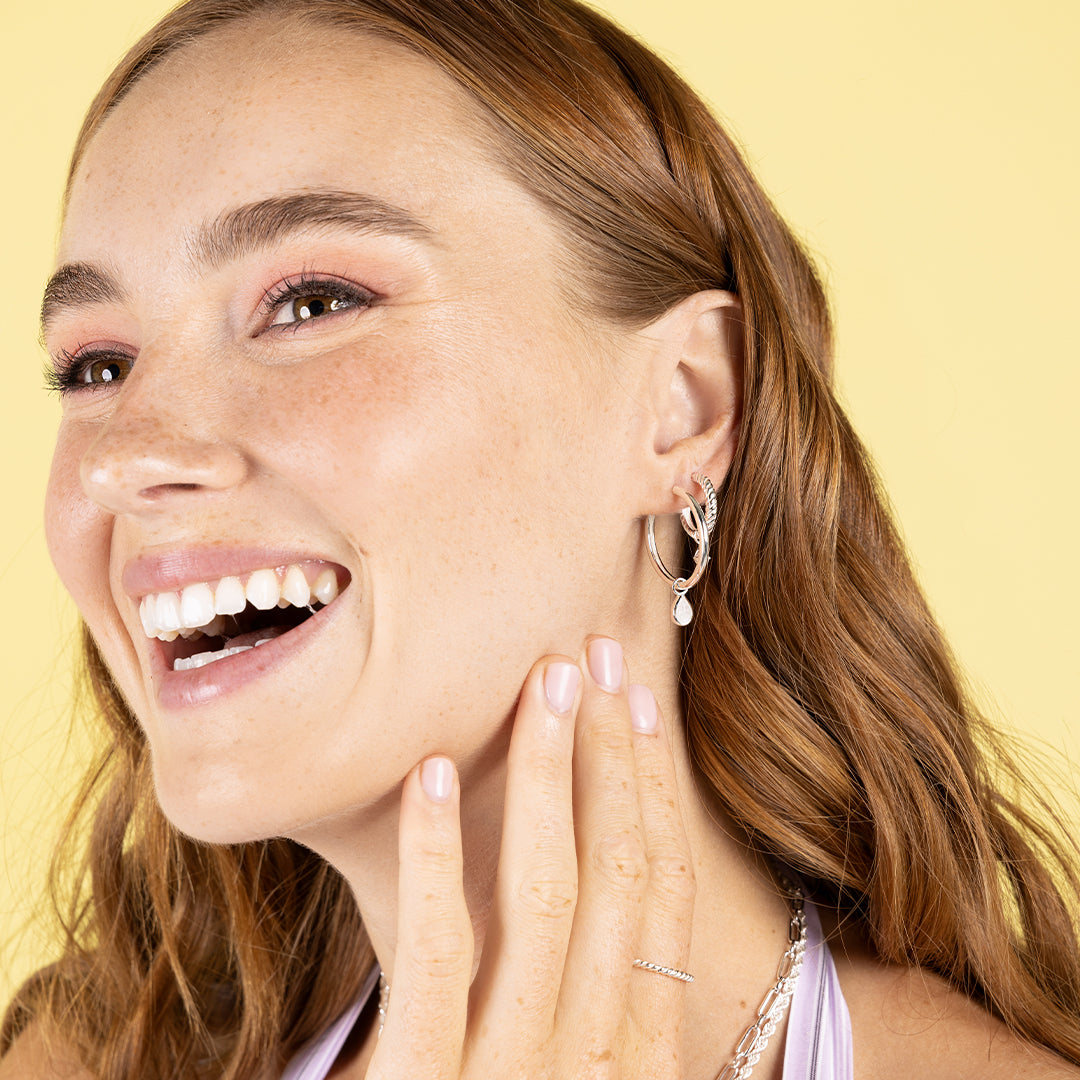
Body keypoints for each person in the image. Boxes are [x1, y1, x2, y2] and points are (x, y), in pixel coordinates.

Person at [2, 0, 1078, 1077]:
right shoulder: (83, 1059)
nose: (121, 457)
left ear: (685, 405)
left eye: (313, 301)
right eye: (97, 366)